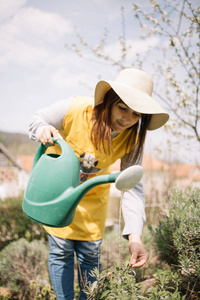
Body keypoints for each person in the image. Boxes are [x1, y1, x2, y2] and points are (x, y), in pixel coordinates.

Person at [29, 68, 169, 300]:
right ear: (108, 101)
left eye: (136, 114)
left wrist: (135, 238)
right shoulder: (75, 109)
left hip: (92, 200)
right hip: (60, 195)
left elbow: (131, 184)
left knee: (89, 255)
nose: (127, 119)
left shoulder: (133, 137)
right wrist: (42, 129)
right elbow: (38, 118)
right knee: (61, 252)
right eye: (122, 108)